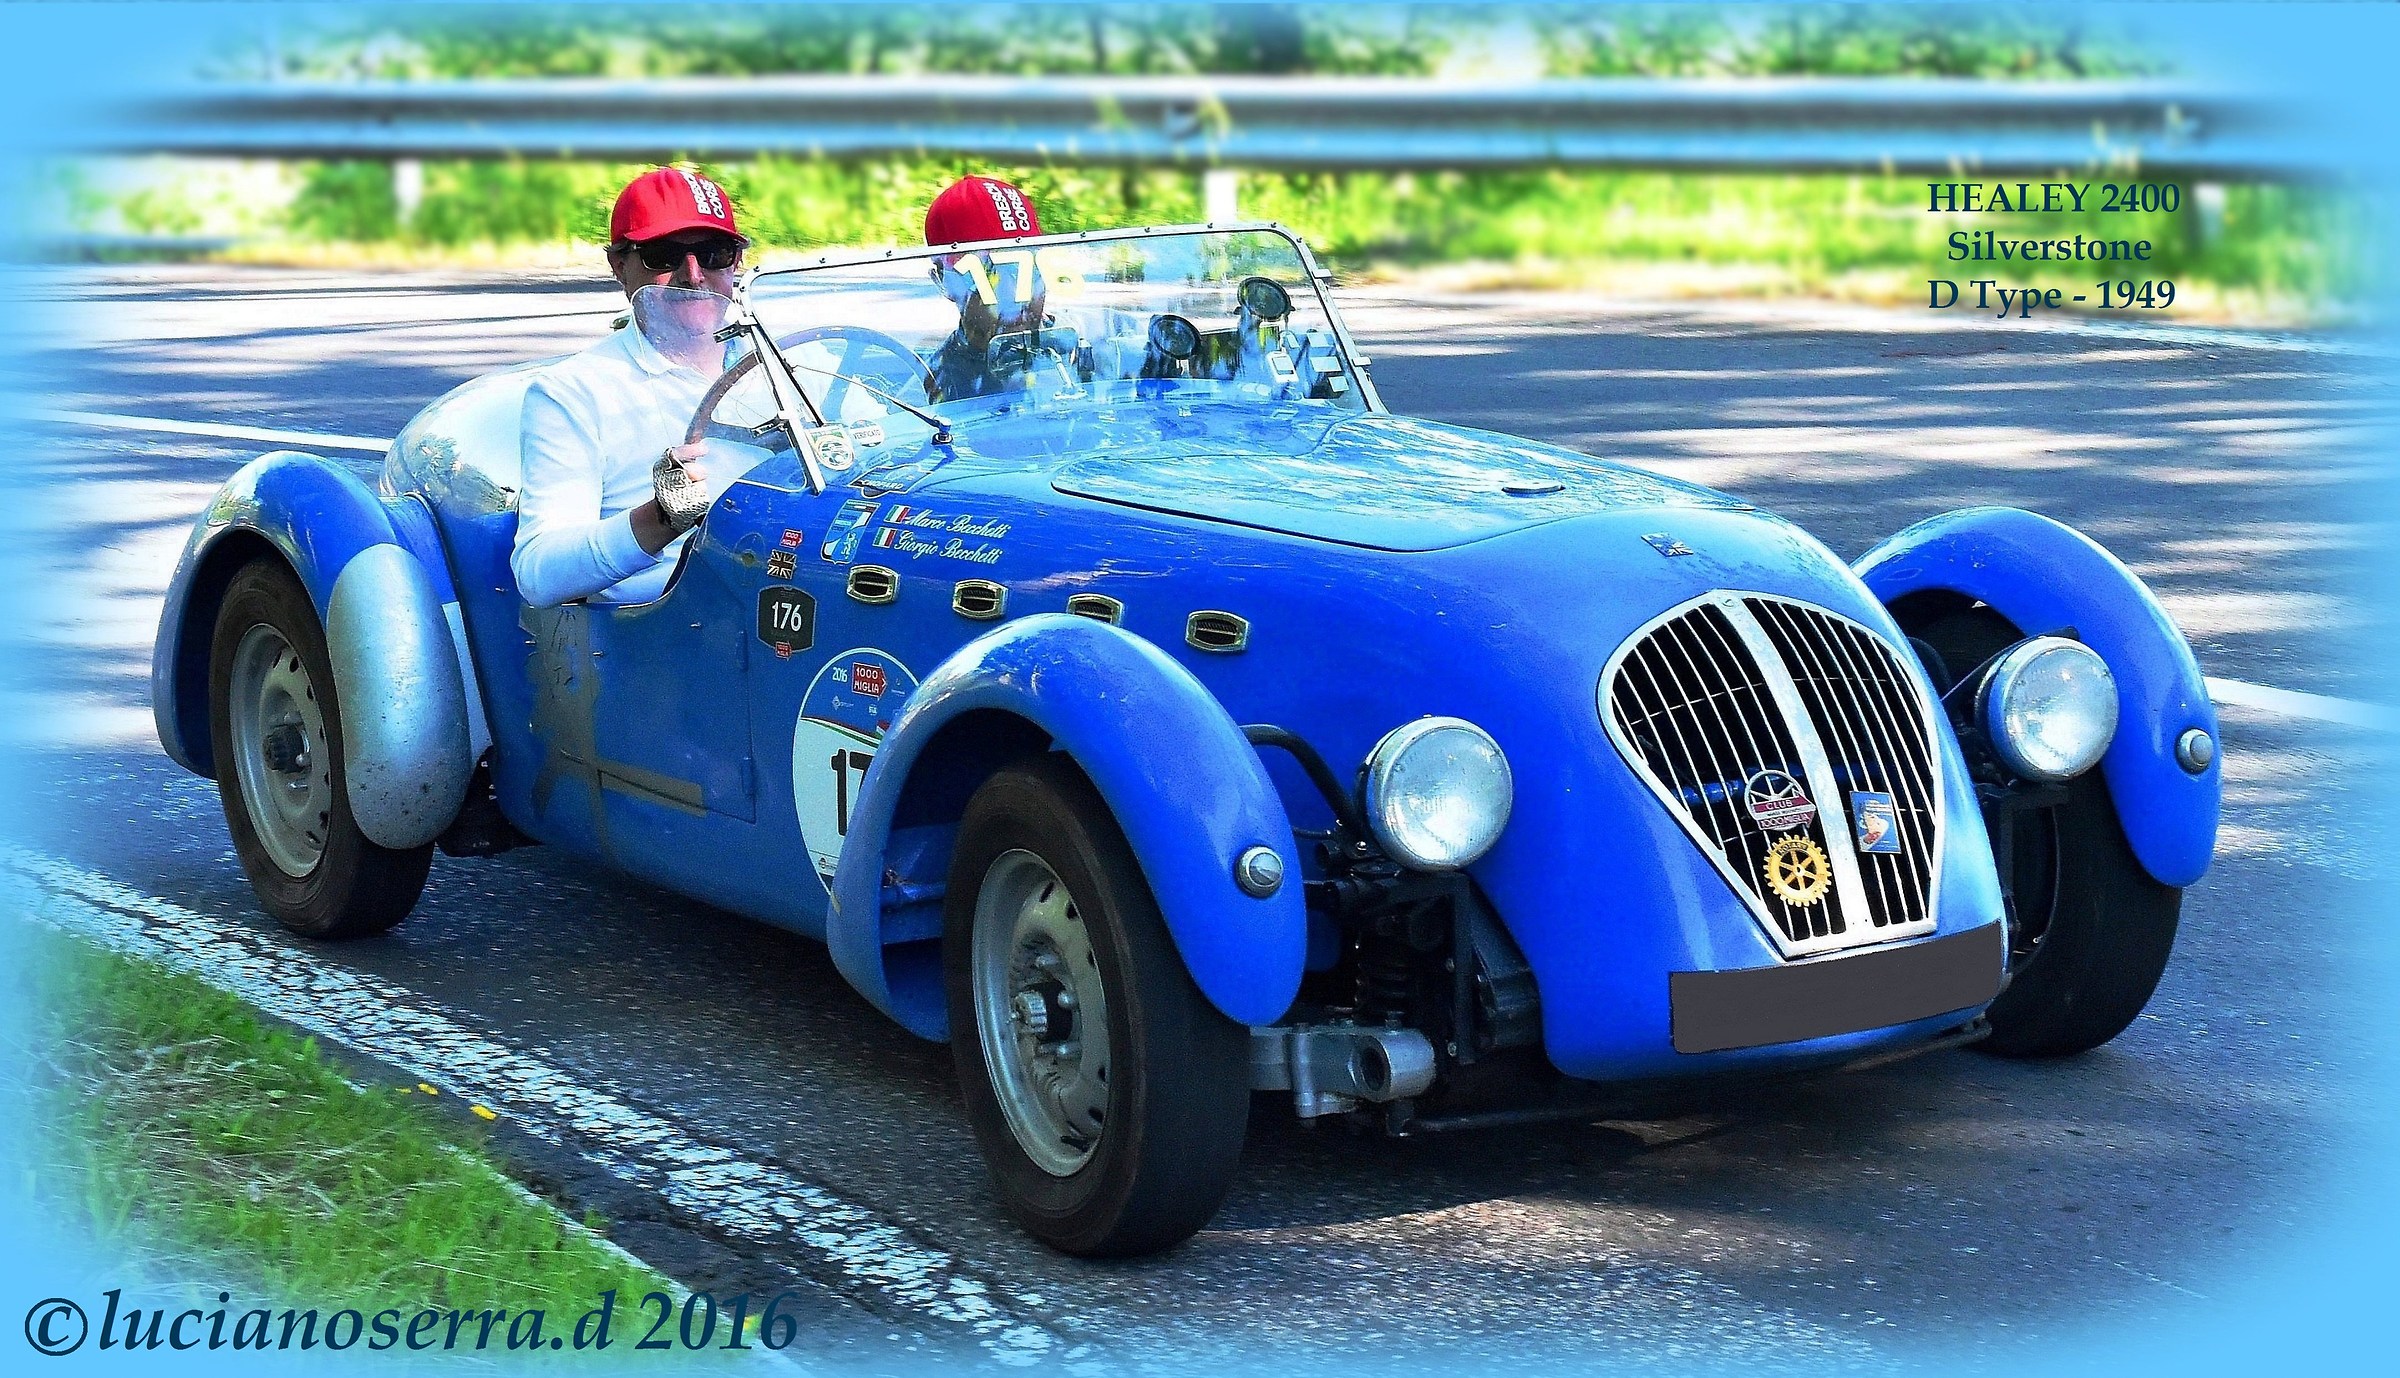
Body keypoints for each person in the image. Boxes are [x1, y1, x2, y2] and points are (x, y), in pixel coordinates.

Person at [512, 167, 748, 608]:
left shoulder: (800, 367)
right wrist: (662, 516)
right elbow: (538, 573)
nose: (693, 275)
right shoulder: (574, 391)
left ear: (738, 262)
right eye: (663, 255)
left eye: (714, 252)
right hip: (670, 632)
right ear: (619, 267)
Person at [920, 176, 1058, 403]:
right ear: (942, 282)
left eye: (1028, 269)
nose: (1017, 297)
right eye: (986, 276)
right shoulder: (930, 389)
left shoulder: (1104, 342)